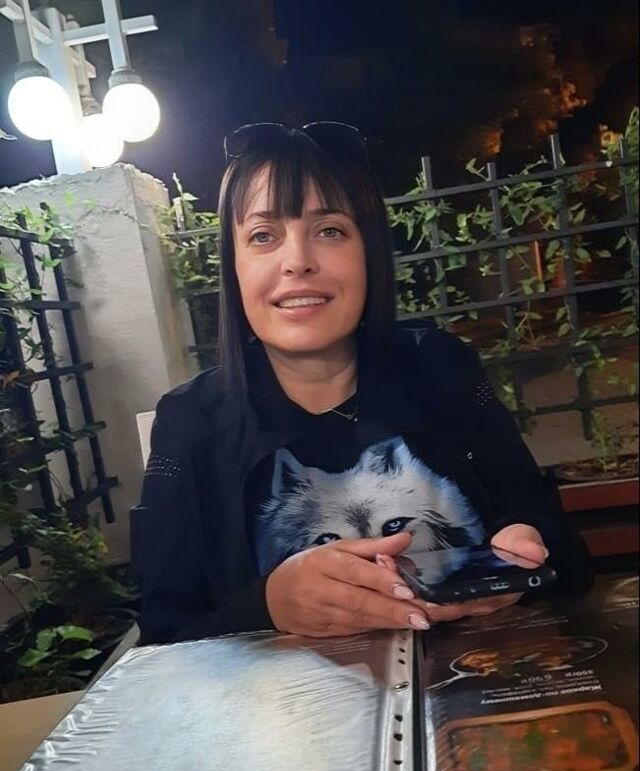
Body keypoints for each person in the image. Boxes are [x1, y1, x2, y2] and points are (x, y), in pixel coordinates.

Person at [132, 122, 589, 645]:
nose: (297, 261)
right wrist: (269, 606)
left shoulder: (443, 370)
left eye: (330, 230)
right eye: (263, 236)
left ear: (369, 253)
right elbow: (163, 634)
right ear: (234, 267)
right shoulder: (191, 422)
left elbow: (561, 547)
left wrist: (528, 554)